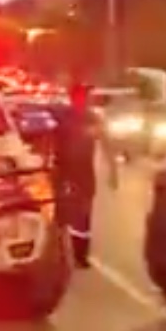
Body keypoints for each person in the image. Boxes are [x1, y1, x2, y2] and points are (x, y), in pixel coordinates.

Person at [52, 82, 97, 269]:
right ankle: (60, 253)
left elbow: (105, 140)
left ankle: (81, 254)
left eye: (87, 97)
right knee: (62, 213)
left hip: (85, 170)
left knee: (84, 215)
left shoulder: (92, 117)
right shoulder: (63, 117)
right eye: (82, 96)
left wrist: (113, 170)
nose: (85, 100)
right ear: (73, 98)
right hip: (65, 170)